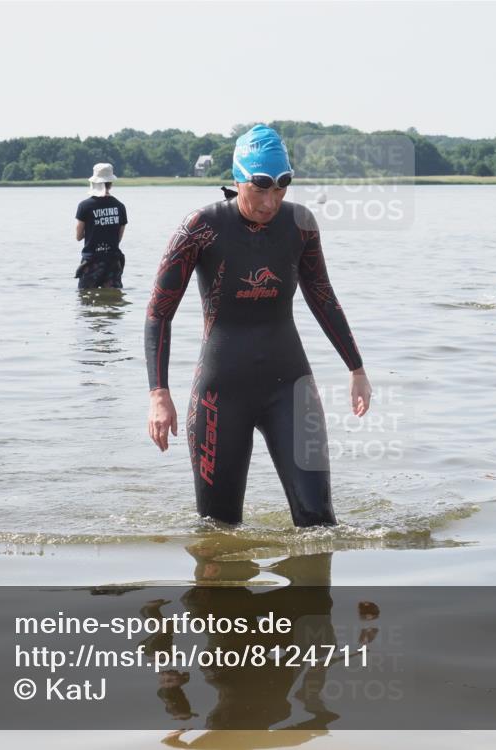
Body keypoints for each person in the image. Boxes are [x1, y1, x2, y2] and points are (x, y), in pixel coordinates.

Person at [145, 124, 372, 527]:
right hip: (220, 395)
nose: (271, 202)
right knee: (219, 530)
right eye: (260, 188)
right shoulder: (200, 227)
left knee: (319, 523)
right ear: (237, 180)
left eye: (281, 188)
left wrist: (356, 369)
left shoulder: (300, 224)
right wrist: (159, 393)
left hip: (291, 387)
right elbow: (159, 312)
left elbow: (322, 297)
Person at [74, 163, 128, 289]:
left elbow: (78, 236)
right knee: (113, 301)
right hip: (113, 261)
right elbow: (118, 237)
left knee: (85, 299)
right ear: (111, 183)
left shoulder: (84, 206)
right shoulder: (120, 206)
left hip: (92, 261)